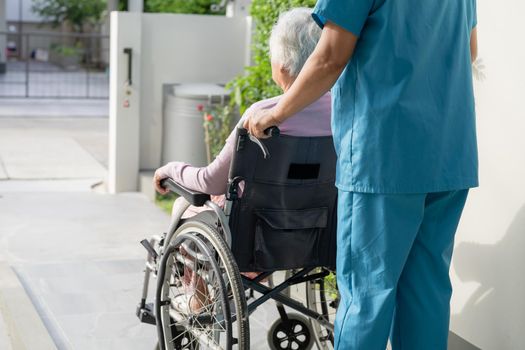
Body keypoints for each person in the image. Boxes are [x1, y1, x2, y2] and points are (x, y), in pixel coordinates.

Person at [243, 0, 478, 349]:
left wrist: (277, 113)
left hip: (385, 156)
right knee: (426, 289)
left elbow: (328, 58)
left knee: (368, 294)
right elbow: (469, 52)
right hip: (448, 151)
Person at [153, 7, 332, 311]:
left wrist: (170, 169)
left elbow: (211, 181)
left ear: (283, 66)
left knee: (185, 203)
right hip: (316, 229)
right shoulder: (342, 113)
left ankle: (198, 300)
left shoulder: (264, 114)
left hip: (257, 233)